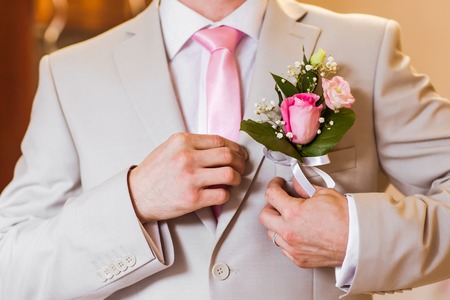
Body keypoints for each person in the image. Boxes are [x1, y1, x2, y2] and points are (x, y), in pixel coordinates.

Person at [0, 0, 449, 299]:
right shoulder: (71, 73)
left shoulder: (366, 47)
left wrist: (356, 236)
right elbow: (10, 266)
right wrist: (133, 200)